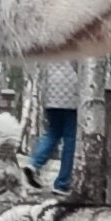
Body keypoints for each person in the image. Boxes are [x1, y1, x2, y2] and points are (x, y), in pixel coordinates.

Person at [27, 52, 81, 194]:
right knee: (70, 139)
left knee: (53, 132)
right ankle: (62, 183)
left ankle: (34, 163)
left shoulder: (53, 39)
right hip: (73, 94)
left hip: (51, 93)